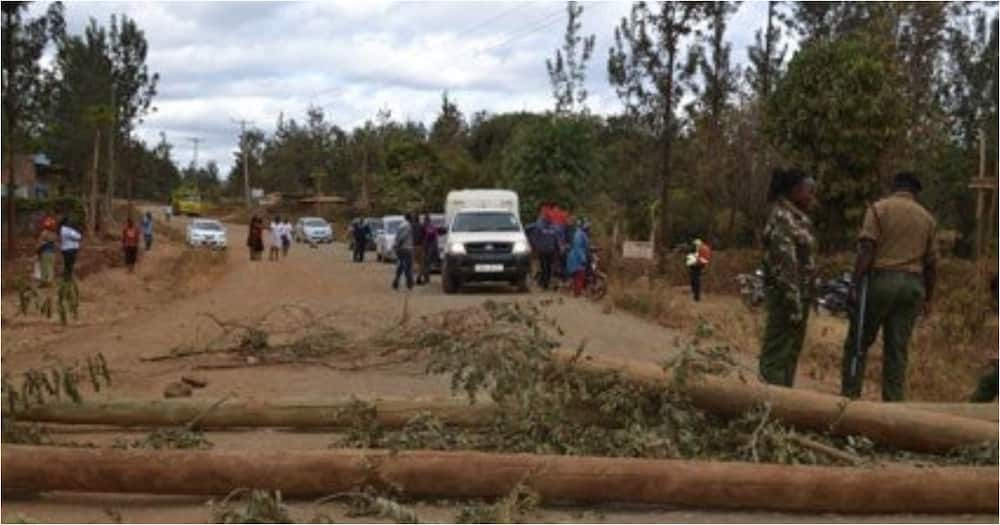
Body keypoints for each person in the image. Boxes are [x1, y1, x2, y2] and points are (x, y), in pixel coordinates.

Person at [840, 171, 937, 402]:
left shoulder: (878, 209)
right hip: (913, 287)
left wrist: (853, 285)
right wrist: (928, 298)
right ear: (915, 193)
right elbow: (932, 264)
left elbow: (867, 249)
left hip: (881, 281)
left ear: (894, 187)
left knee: (858, 342)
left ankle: (849, 399)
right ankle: (893, 406)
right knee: (897, 350)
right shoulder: (927, 218)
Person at [758, 168, 817, 388]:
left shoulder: (798, 218)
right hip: (786, 296)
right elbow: (785, 263)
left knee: (790, 352)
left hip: (799, 296)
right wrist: (793, 301)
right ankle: (768, 408)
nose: (810, 195)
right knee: (776, 355)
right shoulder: (782, 217)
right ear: (793, 191)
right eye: (807, 190)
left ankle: (784, 405)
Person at [565, 219, 590, 297]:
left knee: (577, 276)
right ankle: (577, 293)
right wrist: (583, 259)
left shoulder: (581, 233)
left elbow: (585, 246)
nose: (588, 228)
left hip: (576, 256)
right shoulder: (579, 235)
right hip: (577, 258)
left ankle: (576, 292)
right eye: (587, 227)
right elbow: (578, 248)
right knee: (580, 275)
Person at [392, 213, 415, 290]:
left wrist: (396, 245)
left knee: (401, 265)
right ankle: (409, 283)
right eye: (412, 217)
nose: (413, 218)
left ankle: (396, 281)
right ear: (410, 218)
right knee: (408, 266)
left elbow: (397, 236)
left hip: (401, 249)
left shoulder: (401, 225)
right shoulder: (408, 226)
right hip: (406, 248)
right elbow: (402, 237)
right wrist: (398, 244)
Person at [59, 217, 83, 282]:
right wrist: (78, 232)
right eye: (69, 221)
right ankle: (68, 278)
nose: (70, 223)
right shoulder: (66, 230)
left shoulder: (65, 229)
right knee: (69, 264)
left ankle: (67, 277)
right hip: (69, 249)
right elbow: (78, 237)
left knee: (68, 264)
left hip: (68, 249)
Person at [36, 218, 58, 286]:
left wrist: (37, 251)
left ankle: (44, 282)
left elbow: (40, 244)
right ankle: (50, 281)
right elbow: (56, 244)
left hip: (45, 252)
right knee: (50, 267)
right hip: (52, 253)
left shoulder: (44, 233)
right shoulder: (54, 234)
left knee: (44, 268)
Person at [419, 214, 439, 284]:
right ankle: (426, 278)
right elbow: (435, 238)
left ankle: (425, 278)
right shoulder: (432, 226)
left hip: (427, 247)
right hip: (431, 247)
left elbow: (424, 237)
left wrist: (423, 243)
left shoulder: (425, 226)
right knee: (426, 264)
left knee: (425, 264)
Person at [413, 213, 427, 285]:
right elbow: (425, 236)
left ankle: (413, 278)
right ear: (418, 219)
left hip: (411, 247)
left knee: (413, 263)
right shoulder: (421, 226)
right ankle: (418, 278)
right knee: (421, 264)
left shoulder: (410, 226)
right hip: (420, 246)